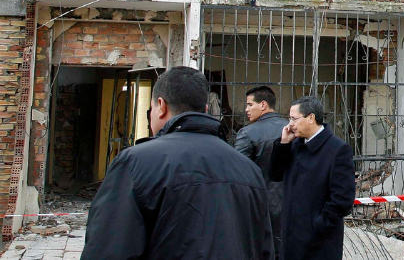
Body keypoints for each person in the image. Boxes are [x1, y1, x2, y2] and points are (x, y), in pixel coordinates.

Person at [82, 66, 273, 260]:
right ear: (206, 110)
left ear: (161, 106)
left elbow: (107, 248)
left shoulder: (135, 163)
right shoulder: (248, 169)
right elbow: (264, 248)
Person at [270, 96, 356, 260]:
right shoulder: (294, 144)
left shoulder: (337, 149)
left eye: (294, 118)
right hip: (291, 237)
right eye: (289, 118)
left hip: (318, 244)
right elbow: (275, 174)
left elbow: (342, 199)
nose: (290, 124)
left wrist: (317, 226)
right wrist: (283, 144)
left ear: (311, 118)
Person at [235, 86, 287, 258]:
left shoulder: (247, 133)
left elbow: (239, 174)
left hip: (260, 205)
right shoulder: (292, 128)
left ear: (263, 104)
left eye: (250, 104)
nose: (246, 109)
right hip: (292, 202)